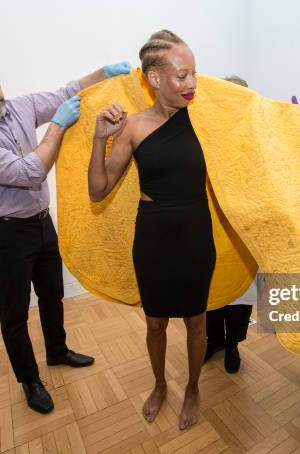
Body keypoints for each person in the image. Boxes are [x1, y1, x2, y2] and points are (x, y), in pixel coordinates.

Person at [0, 43, 130, 414]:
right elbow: (28, 173)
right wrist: (57, 127)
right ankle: (29, 380)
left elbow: (65, 92)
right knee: (14, 315)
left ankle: (57, 351)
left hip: (41, 223)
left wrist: (104, 72)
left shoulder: (18, 107)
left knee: (53, 294)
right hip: (4, 234)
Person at [88, 30, 212, 430]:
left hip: (195, 233)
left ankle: (193, 386)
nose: (191, 83)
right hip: (154, 237)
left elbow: (272, 133)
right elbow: (98, 189)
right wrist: (98, 139)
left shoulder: (209, 121)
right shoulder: (134, 126)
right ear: (155, 79)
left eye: (194, 73)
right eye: (182, 75)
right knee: (155, 321)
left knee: (196, 321)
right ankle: (160, 384)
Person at [203, 75, 255, 374]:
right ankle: (214, 341)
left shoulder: (252, 137)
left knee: (238, 295)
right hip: (210, 229)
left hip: (241, 234)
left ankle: (233, 343)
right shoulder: (207, 134)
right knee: (211, 292)